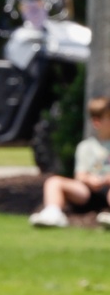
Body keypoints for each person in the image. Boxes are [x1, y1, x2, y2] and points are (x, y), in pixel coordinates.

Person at [29, 95, 110, 228]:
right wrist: (90, 180)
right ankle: (53, 214)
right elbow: (80, 175)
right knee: (53, 182)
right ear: (97, 122)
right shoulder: (85, 147)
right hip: (87, 191)